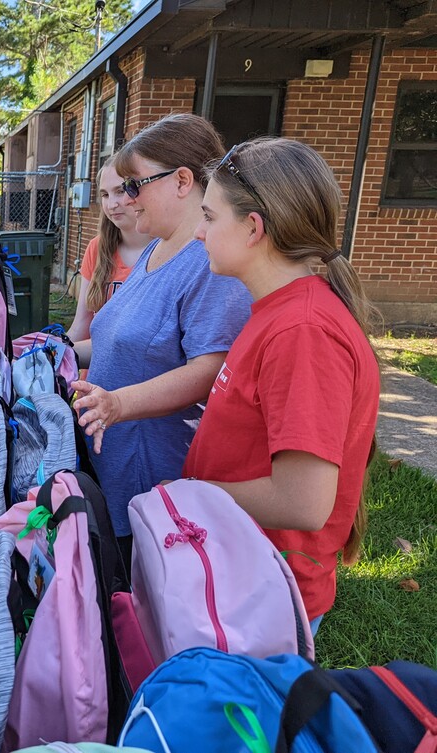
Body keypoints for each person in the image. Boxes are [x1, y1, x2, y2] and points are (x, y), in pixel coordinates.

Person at [183, 138, 380, 632]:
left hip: (264, 595)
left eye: (209, 217)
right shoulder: (280, 313)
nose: (198, 235)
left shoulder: (303, 333)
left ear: (253, 228)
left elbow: (303, 502)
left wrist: (190, 493)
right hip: (242, 576)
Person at [70, 114, 252, 562]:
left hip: (154, 468)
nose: (127, 199)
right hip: (114, 455)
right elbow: (120, 340)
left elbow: (210, 368)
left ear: (182, 181)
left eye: (135, 185)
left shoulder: (210, 264)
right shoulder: (156, 246)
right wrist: (60, 353)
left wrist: (118, 404)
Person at [67, 156, 153, 342]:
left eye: (120, 191)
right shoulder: (96, 248)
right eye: (105, 194)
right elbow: (81, 325)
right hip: (93, 368)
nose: (112, 204)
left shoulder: (165, 250)